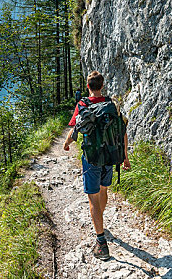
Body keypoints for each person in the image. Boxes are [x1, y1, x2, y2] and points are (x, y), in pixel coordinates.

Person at [63, 71, 130, 260]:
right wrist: (125, 157)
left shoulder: (83, 105)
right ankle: (100, 221)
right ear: (102, 86)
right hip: (110, 155)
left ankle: (101, 243)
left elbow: (75, 129)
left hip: (91, 158)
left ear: (88, 86)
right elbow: (122, 132)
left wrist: (67, 143)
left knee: (92, 199)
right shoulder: (112, 105)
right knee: (103, 190)